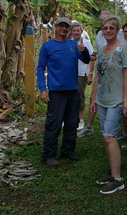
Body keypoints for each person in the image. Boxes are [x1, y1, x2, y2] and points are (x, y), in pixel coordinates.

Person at [36, 17, 90, 166]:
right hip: (56, 91)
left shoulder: (73, 45)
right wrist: (43, 89)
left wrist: (84, 51)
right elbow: (41, 68)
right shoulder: (47, 47)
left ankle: (68, 151)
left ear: (70, 30)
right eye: (61, 26)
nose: (64, 29)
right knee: (54, 123)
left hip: (73, 90)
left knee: (72, 123)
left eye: (67, 27)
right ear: (56, 27)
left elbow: (85, 60)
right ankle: (48, 154)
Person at [89, 15, 127, 194]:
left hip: (116, 100)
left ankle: (117, 179)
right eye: (105, 28)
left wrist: (125, 100)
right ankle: (113, 172)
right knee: (107, 138)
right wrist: (93, 99)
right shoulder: (102, 49)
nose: (108, 31)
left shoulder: (122, 48)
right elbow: (98, 76)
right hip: (103, 100)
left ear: (117, 31)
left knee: (109, 137)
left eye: (111, 28)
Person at [78, 10, 126, 137]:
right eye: (101, 21)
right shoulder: (100, 34)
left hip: (115, 74)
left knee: (116, 103)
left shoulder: (120, 35)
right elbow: (98, 52)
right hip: (102, 71)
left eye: (105, 20)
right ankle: (90, 126)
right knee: (94, 98)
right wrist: (90, 72)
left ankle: (119, 130)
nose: (102, 23)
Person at [70, 21, 94, 131]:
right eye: (74, 30)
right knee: (70, 95)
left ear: (81, 31)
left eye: (78, 30)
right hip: (70, 73)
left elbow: (92, 59)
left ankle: (81, 119)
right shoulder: (68, 42)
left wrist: (90, 74)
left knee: (80, 96)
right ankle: (70, 118)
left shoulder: (86, 42)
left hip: (81, 72)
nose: (76, 32)